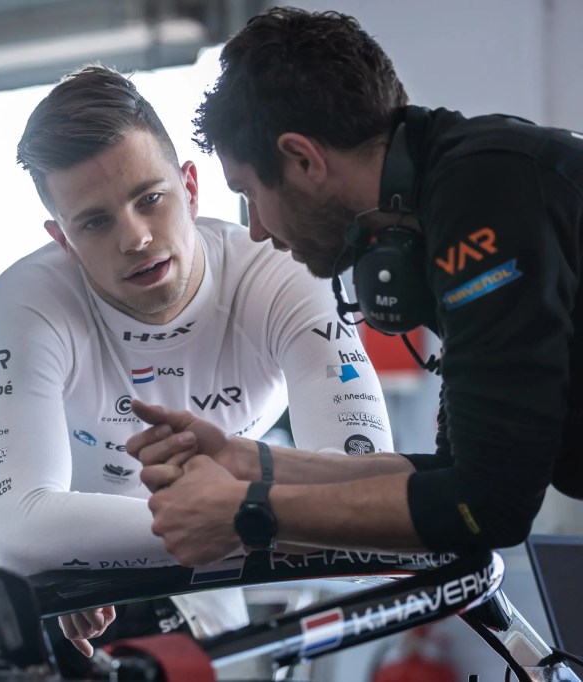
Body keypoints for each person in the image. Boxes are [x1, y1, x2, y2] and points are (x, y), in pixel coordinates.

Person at [0, 63, 393, 668]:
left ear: (190, 186)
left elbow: (366, 505)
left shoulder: (282, 276)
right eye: (95, 221)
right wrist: (255, 514)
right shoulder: (27, 298)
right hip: (45, 583)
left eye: (149, 199)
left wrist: (229, 516)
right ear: (63, 239)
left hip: (171, 543)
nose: (134, 238)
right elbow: (24, 536)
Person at [127, 7, 582, 566]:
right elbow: (458, 474)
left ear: (302, 159)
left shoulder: (484, 200)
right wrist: (251, 465)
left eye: (249, 193)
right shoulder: (462, 185)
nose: (258, 230)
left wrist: (249, 514)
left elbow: (488, 506)